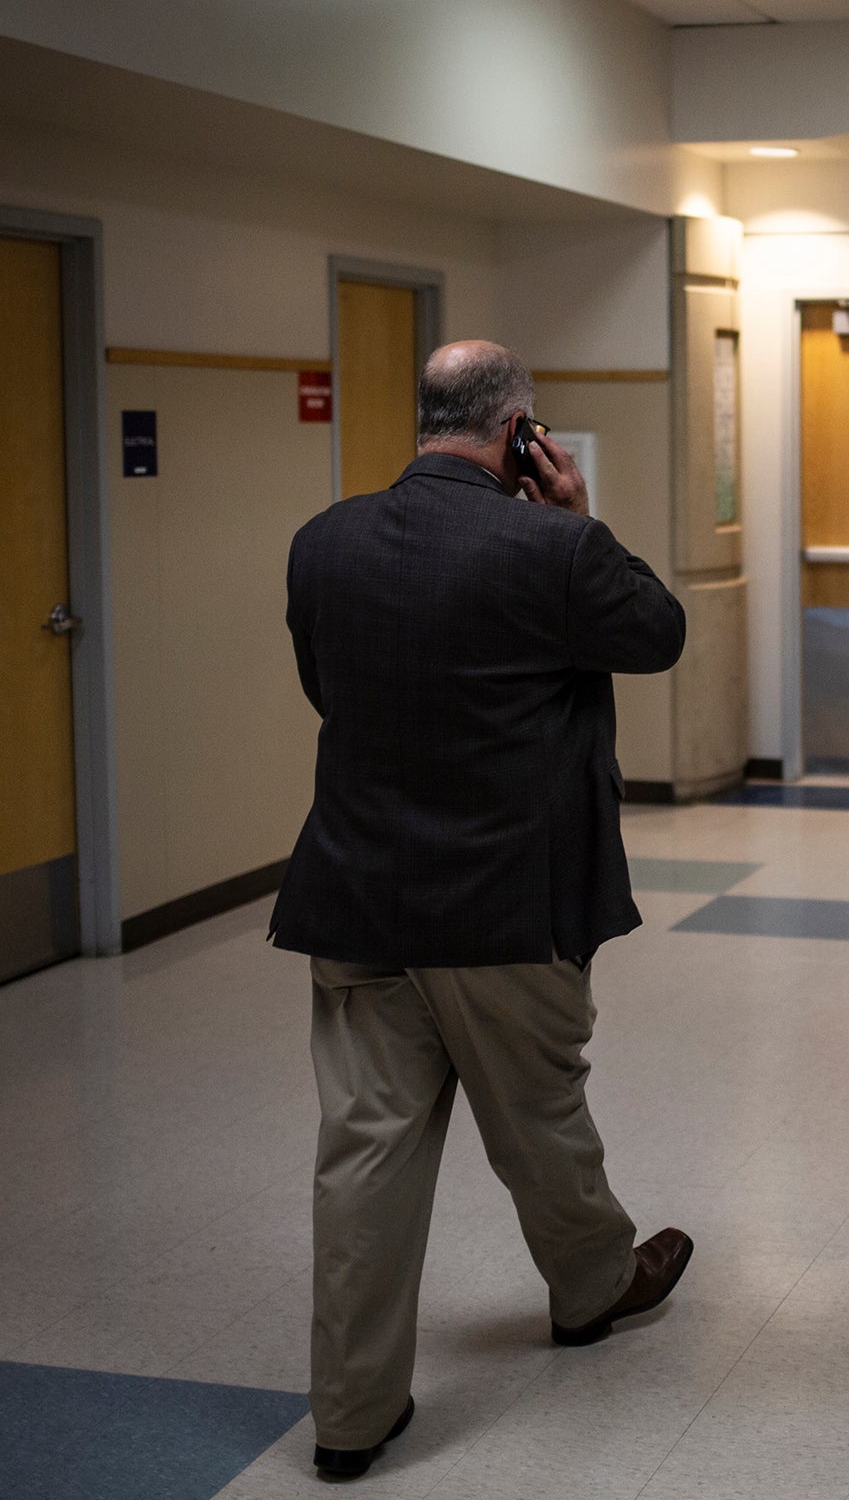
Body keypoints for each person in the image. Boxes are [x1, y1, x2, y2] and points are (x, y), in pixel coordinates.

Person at [270, 340, 693, 1481]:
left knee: (361, 1159)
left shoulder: (323, 545)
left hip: (358, 905)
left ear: (423, 420)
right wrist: (574, 516)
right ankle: (593, 1288)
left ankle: (352, 1417)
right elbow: (657, 633)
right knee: (538, 1122)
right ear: (519, 434)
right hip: (509, 908)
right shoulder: (552, 547)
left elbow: (331, 689)